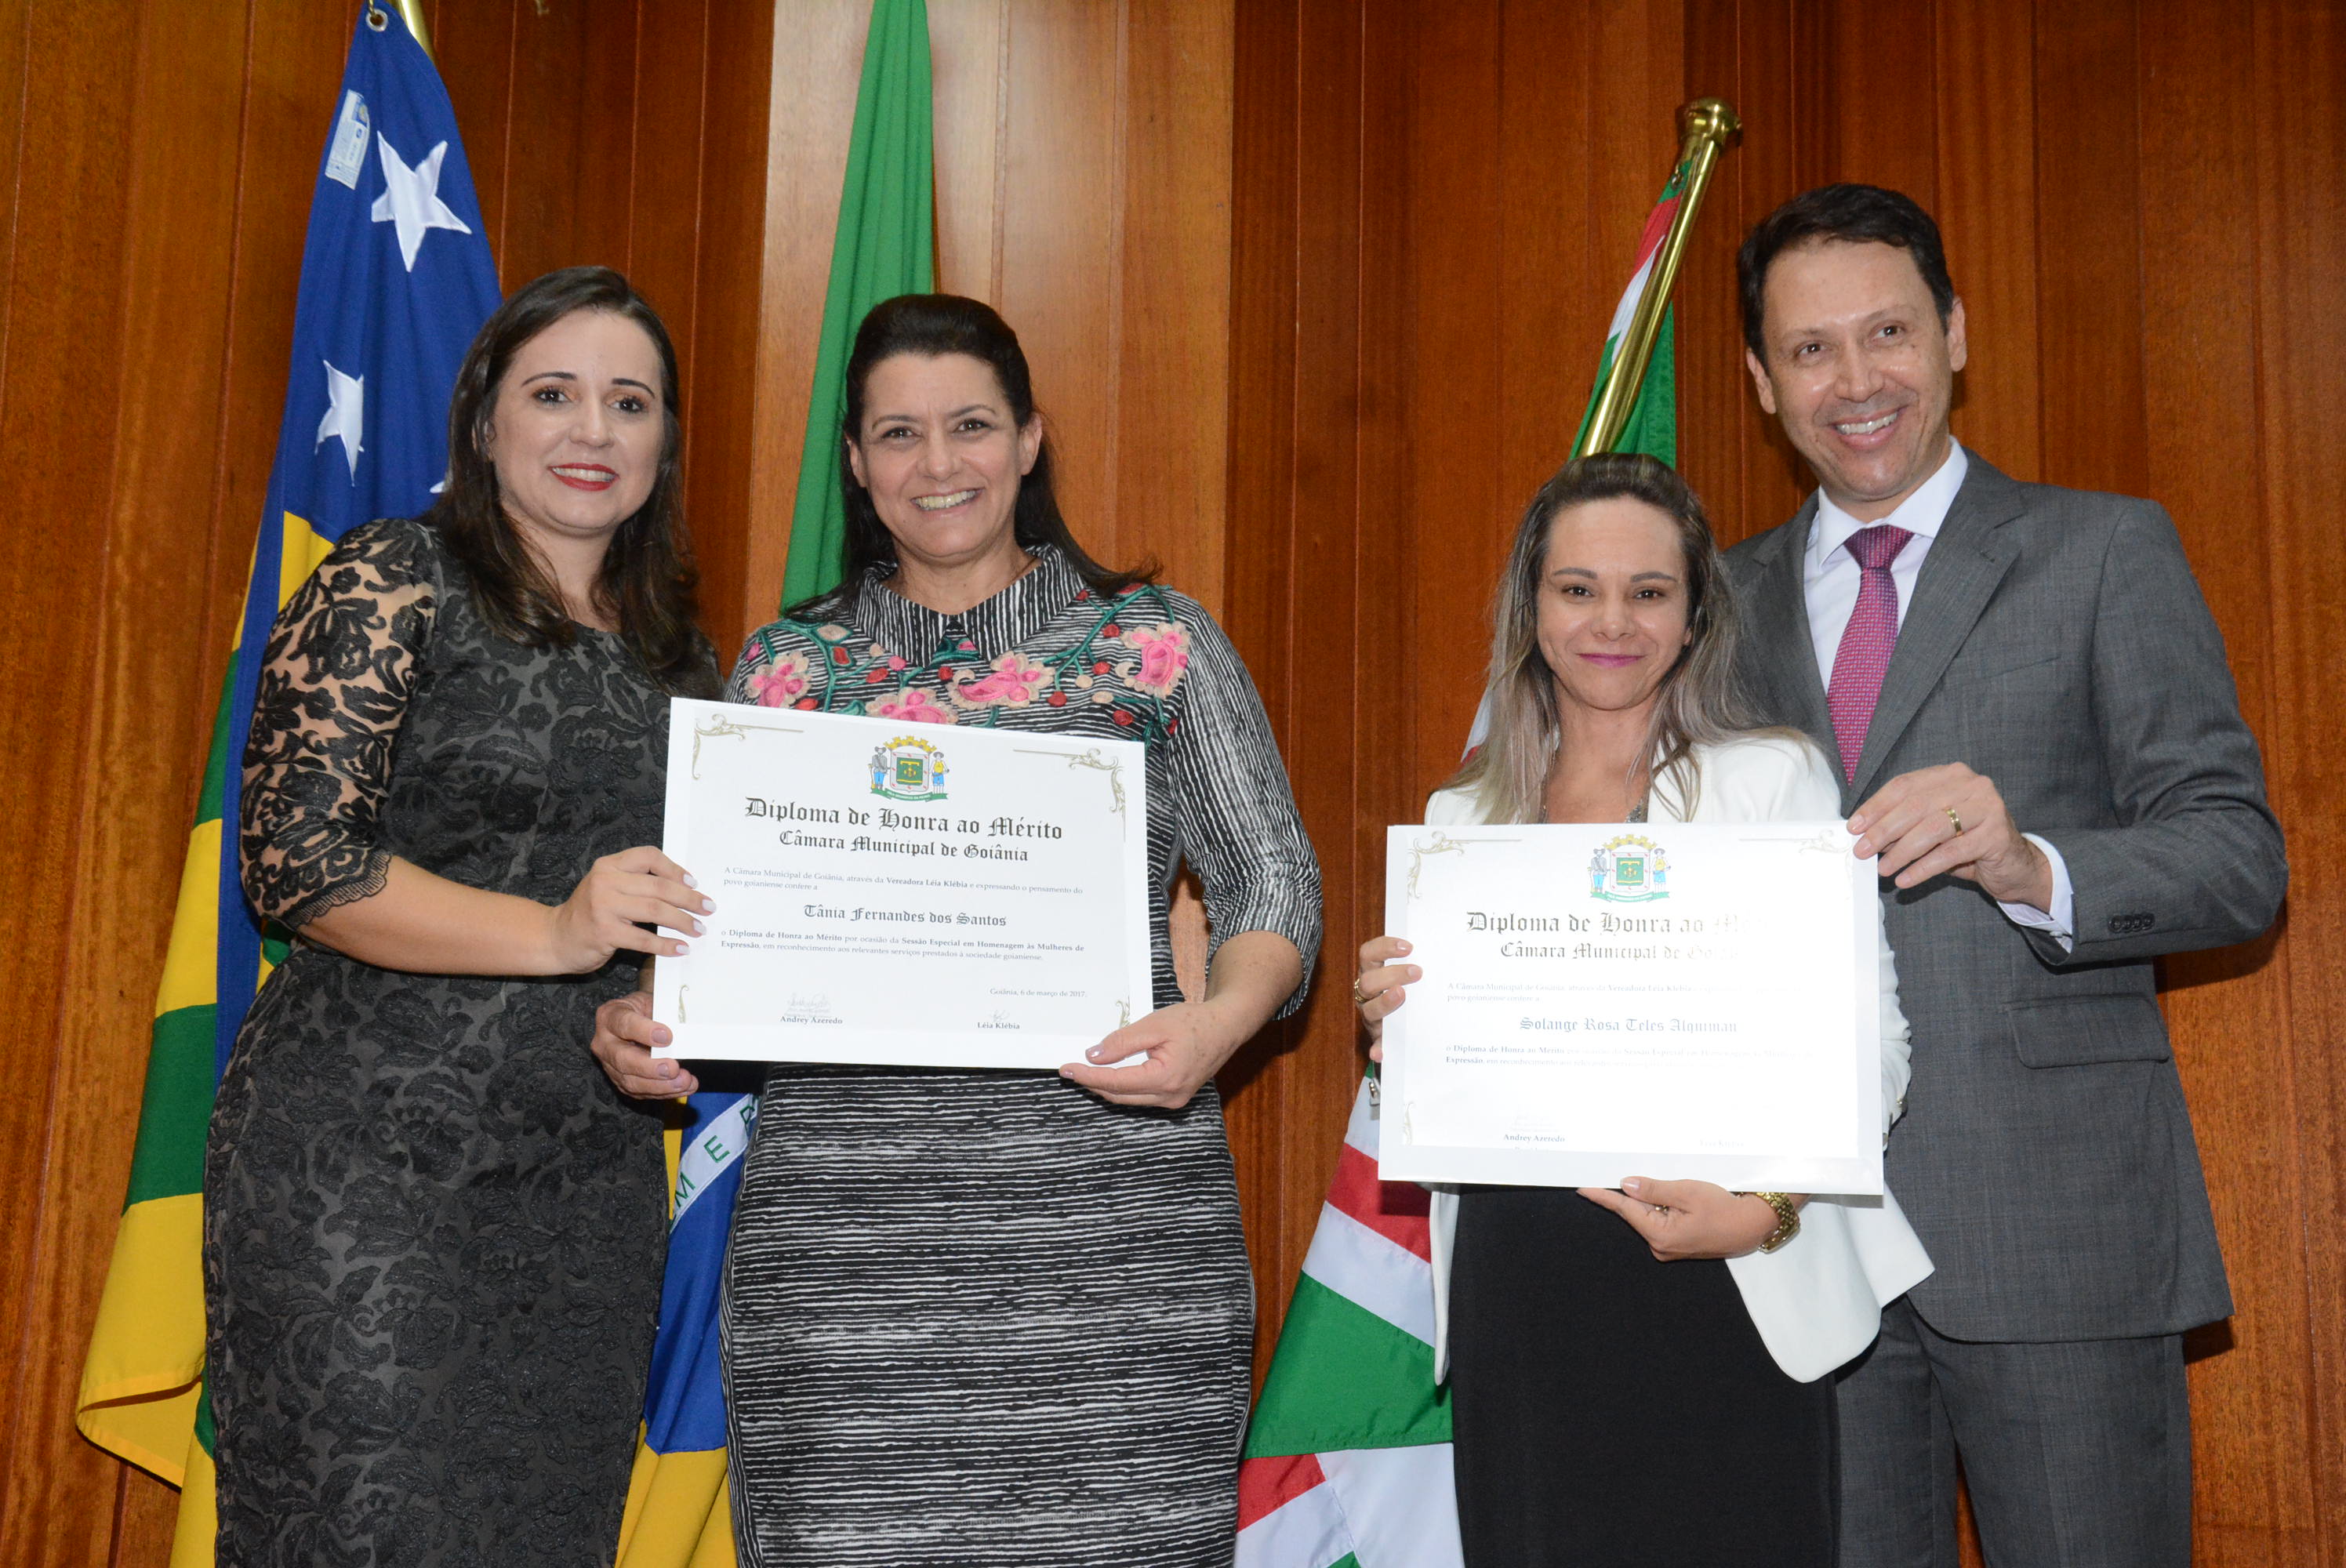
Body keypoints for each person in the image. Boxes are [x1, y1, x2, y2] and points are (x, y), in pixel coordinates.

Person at [589, 293, 1322, 1566]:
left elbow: (1274, 886)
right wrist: (651, 1022)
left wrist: (1219, 1025)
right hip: (846, 1268)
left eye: (971, 425)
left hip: (1110, 1249)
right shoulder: (783, 675)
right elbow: (713, 943)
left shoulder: (1156, 646)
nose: (939, 464)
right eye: (899, 433)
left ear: (1029, 440)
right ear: (858, 462)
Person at [1723, 184, 2285, 1567]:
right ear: (1762, 382)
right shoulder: (1711, 607)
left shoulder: (2104, 550)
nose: (1857, 381)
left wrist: (2032, 862)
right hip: (1800, 1250)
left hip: (2057, 1235)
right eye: (1810, 350)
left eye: (1889, 332)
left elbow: (2237, 859)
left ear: (1956, 334)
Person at [204, 266, 719, 1566]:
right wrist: (555, 933)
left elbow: (679, 923)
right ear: (484, 421)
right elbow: (296, 863)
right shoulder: (395, 576)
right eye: (554, 394)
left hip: (585, 1193)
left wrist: (650, 1015)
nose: (593, 430)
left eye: (630, 403)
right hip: (363, 1168)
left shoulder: (685, 663)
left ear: (664, 442)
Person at [1354, 452, 1930, 1567]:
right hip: (1521, 1288)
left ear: (1695, 614)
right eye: (1578, 589)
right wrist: (1401, 1035)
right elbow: (1443, 1089)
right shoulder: (1462, 817)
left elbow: (1876, 1048)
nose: (1612, 621)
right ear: (1532, 609)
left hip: (1722, 1278)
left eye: (1649, 591)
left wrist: (1766, 1210)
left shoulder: (1771, 782)